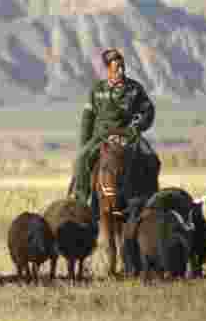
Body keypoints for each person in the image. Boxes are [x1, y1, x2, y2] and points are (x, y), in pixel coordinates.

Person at [68, 48, 158, 213]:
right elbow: (87, 120)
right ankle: (82, 200)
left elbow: (148, 111)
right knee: (81, 160)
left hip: (129, 136)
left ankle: (152, 198)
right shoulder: (97, 90)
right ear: (107, 70)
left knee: (152, 158)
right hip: (102, 136)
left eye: (123, 67)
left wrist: (138, 126)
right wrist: (84, 145)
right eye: (117, 68)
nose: (121, 71)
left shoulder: (135, 88)